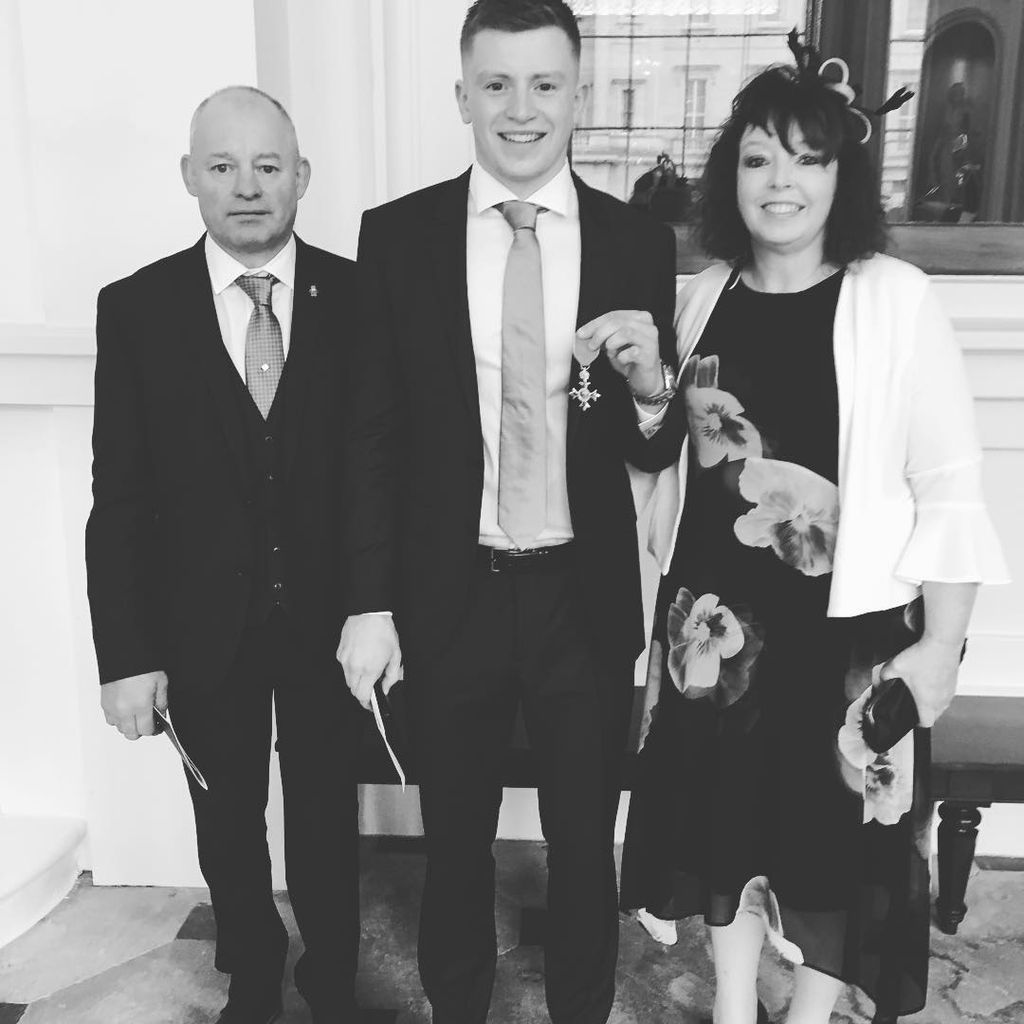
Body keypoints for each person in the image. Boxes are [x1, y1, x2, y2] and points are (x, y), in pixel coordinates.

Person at [619, 58, 1009, 1024]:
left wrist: (941, 648)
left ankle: (809, 1012)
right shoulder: (701, 294)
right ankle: (736, 1003)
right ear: (731, 178)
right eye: (759, 160)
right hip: (716, 626)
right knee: (722, 828)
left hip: (849, 631)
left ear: (842, 179)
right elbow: (670, 454)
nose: (781, 182)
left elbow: (952, 485)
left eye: (807, 159)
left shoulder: (897, 299)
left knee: (836, 839)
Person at [337, 2, 685, 1022]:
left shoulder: (634, 239)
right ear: (462, 96)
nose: (520, 109)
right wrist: (368, 603)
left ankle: (580, 1008)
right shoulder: (395, 238)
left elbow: (651, 445)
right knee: (456, 838)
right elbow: (370, 440)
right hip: (452, 594)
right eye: (496, 85)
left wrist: (650, 385)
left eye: (543, 85)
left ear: (577, 96)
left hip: (582, 596)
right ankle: (459, 1008)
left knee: (584, 842)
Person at [86, 86, 363, 1024]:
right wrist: (125, 654)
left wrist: (383, 605)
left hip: (332, 621)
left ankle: (333, 973)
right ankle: (252, 962)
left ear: (302, 178)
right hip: (200, 620)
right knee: (227, 811)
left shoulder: (361, 297)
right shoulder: (133, 309)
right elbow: (117, 495)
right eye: (222, 165)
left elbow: (384, 471)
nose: (247, 187)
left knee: (326, 810)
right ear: (190, 177)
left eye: (268, 165)